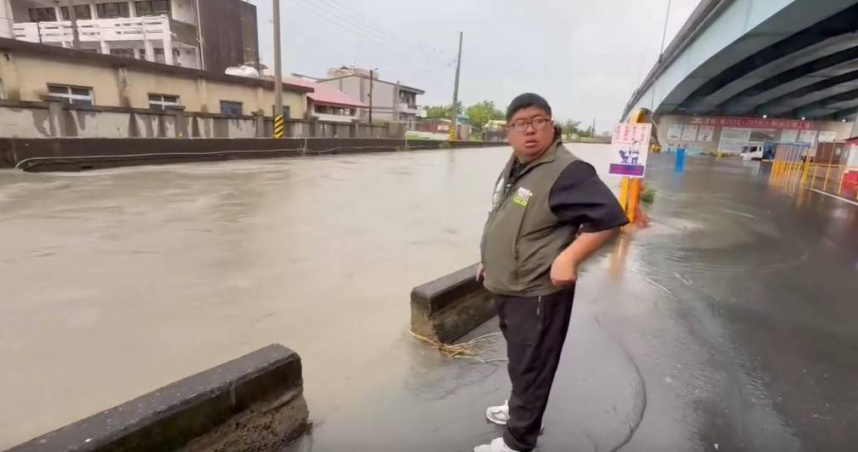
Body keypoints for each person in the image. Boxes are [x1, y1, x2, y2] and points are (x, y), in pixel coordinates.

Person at [474, 93, 629, 452]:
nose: (529, 131)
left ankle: (518, 441)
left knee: (533, 364)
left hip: (538, 290)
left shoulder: (567, 171)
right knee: (519, 358)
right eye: (520, 124)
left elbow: (609, 219)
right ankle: (518, 410)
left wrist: (569, 258)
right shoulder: (519, 164)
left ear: (552, 125)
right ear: (508, 132)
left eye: (537, 121)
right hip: (510, 283)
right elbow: (504, 215)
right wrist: (489, 257)